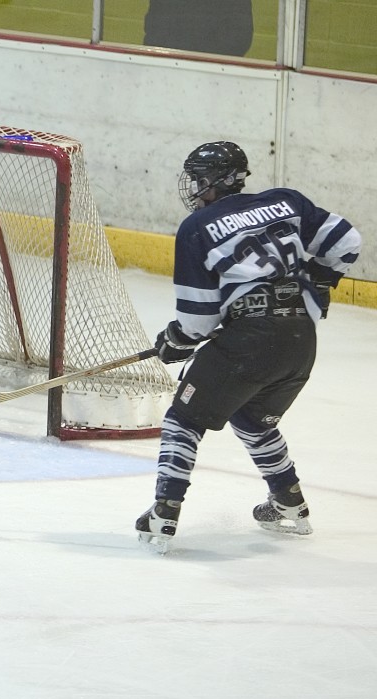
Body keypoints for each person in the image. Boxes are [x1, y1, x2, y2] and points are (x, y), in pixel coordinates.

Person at [136, 141, 361, 552]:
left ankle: (164, 510)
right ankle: (288, 501)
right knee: (253, 417)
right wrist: (317, 285)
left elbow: (198, 320)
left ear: (211, 181)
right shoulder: (286, 201)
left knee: (183, 420)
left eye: (198, 179)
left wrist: (175, 342)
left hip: (250, 340)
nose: (194, 188)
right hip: (300, 340)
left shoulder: (197, 227)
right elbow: (347, 242)